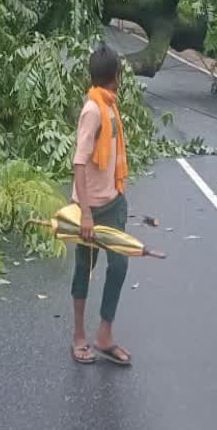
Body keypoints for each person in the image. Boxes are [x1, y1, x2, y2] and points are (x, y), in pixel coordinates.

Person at [70, 42, 132, 366]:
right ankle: (79, 336)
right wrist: (84, 213)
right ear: (114, 77)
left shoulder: (109, 105)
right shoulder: (93, 110)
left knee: (120, 266)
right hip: (92, 209)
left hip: (114, 201)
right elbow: (79, 162)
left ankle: (104, 334)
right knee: (85, 268)